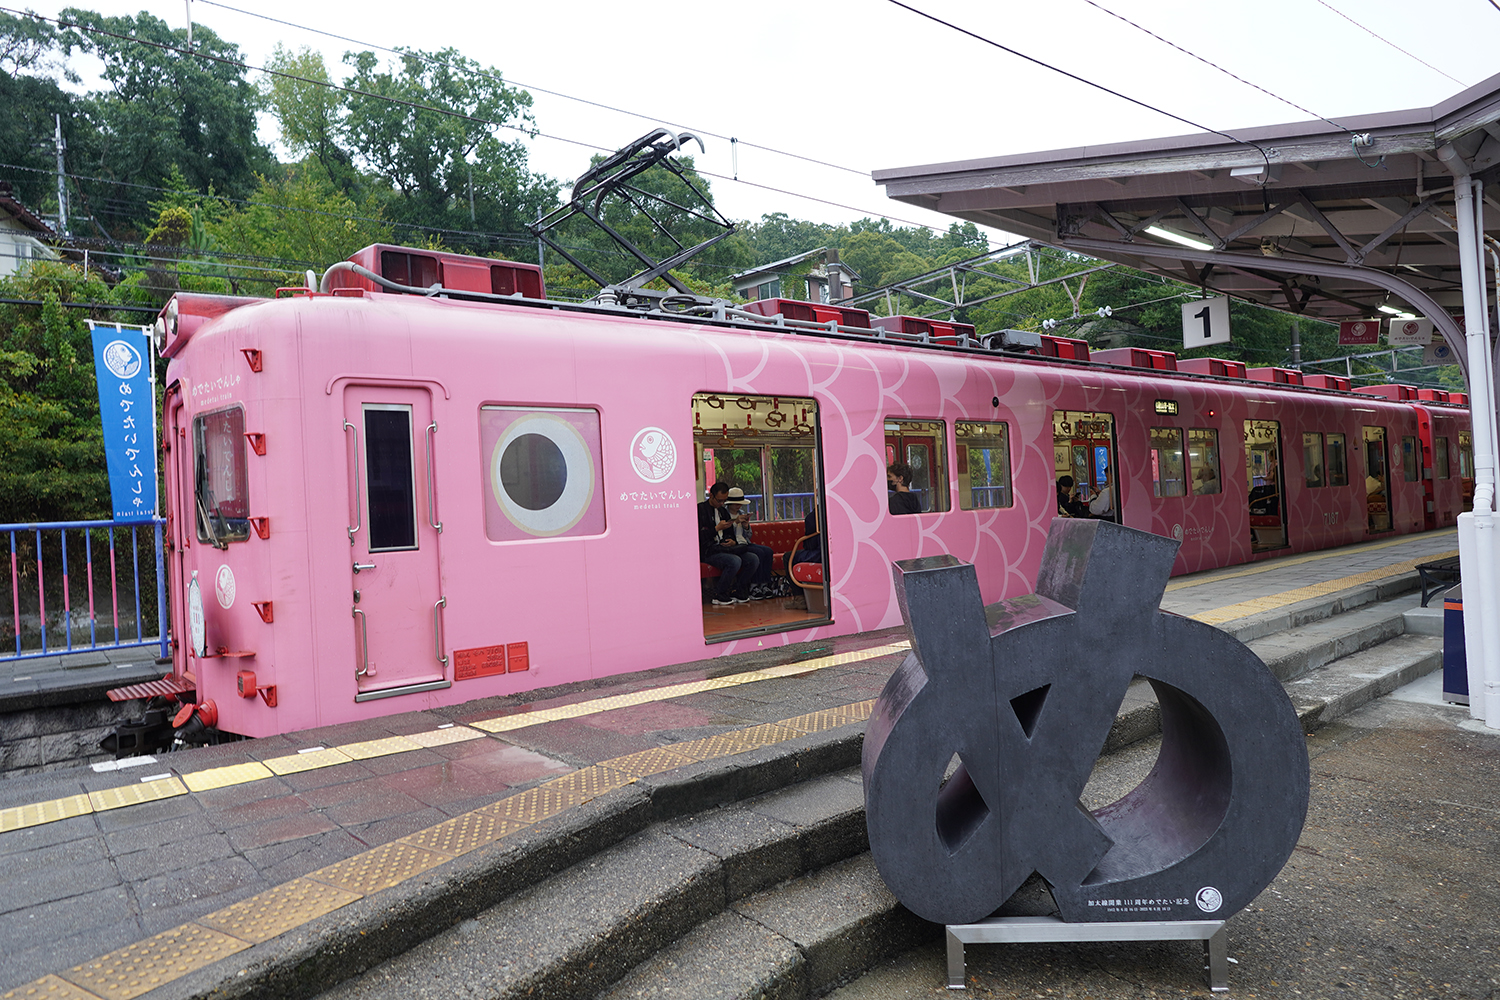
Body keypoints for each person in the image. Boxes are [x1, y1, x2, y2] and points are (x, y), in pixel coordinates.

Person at [697, 482, 759, 606]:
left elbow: (730, 532)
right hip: (709, 550)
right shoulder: (700, 510)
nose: (721, 504)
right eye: (719, 500)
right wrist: (716, 529)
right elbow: (698, 536)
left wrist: (732, 541)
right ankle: (719, 594)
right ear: (711, 496)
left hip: (724, 548)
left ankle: (737, 590)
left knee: (753, 559)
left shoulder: (722, 511)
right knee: (734, 561)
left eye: (724, 501)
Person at [722, 487, 777, 599]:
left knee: (768, 551)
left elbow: (748, 535)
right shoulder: (724, 514)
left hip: (745, 542)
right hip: (736, 545)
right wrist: (735, 522)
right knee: (758, 553)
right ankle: (754, 586)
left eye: (740, 503)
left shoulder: (742, 513)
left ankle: (764, 584)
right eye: (736, 503)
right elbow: (724, 533)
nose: (738, 506)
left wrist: (746, 526)